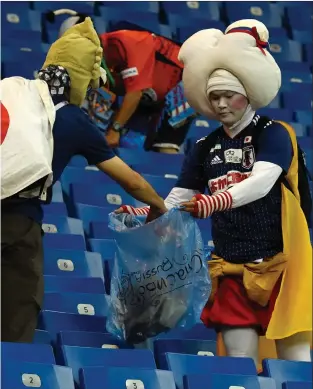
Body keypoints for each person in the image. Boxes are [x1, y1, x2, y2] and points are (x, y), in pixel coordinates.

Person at [116, 19, 312, 366]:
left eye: (229, 95)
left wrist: (216, 200)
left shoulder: (275, 134)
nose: (221, 104)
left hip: (283, 266)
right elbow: (179, 196)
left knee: (296, 360)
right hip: (231, 266)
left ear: (248, 94)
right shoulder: (205, 146)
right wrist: (147, 212)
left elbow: (263, 180)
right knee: (238, 360)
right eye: (214, 96)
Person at [1, 17, 166, 343]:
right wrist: (159, 205)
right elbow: (131, 181)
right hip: (18, 223)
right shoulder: (73, 119)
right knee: (17, 308)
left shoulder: (12, 90)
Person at [49, 9, 193, 153]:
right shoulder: (98, 62)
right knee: (132, 143)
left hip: (187, 80)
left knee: (163, 146)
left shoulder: (129, 42)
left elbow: (135, 93)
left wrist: (115, 129)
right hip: (150, 94)